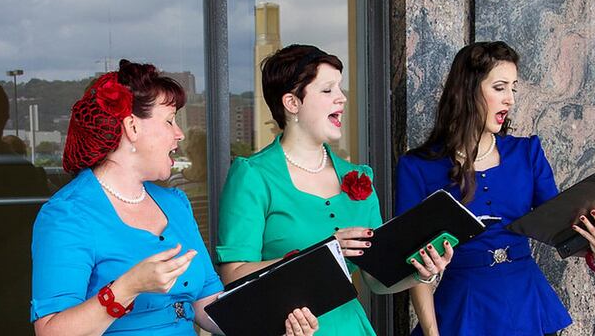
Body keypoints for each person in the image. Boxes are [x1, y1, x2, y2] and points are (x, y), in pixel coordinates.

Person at [31, 59, 318, 336]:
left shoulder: (175, 204)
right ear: (132, 128)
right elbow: (52, 330)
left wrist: (272, 325)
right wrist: (128, 286)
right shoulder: (67, 215)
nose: (179, 134)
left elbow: (208, 305)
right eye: (169, 121)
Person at [396, 41, 595, 336]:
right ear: (467, 90)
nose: (510, 100)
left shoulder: (527, 152)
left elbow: (564, 230)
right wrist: (432, 333)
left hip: (527, 303)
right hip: (464, 307)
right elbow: (412, 264)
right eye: (500, 87)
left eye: (513, 89)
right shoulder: (416, 167)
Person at [217, 44, 451, 336]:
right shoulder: (252, 176)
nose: (342, 98)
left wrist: (420, 271)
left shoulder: (359, 177)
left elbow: (376, 279)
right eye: (327, 90)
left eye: (340, 88)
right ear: (292, 103)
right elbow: (234, 275)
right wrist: (324, 254)